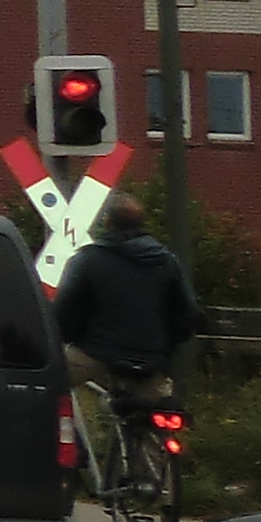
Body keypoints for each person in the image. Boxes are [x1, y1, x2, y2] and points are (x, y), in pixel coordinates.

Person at [52, 187, 198, 463]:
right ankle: (160, 480)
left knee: (47, 382)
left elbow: (62, 310)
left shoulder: (88, 259)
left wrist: (69, 335)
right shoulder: (167, 261)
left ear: (108, 222)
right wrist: (166, 347)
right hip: (150, 356)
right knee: (157, 407)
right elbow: (188, 312)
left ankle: (72, 446)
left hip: (97, 353)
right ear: (142, 225)